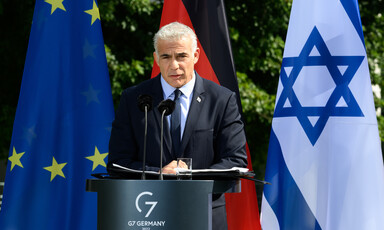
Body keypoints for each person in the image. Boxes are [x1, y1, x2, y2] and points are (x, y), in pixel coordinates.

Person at [108, 22, 247, 230]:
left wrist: (188, 174)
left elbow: (235, 160)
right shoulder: (134, 99)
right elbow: (118, 162)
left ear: (196, 56)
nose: (174, 65)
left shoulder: (222, 99)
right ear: (156, 58)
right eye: (166, 57)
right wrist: (160, 173)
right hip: (147, 216)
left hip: (205, 216)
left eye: (181, 56)